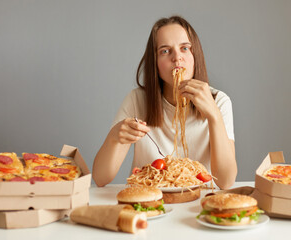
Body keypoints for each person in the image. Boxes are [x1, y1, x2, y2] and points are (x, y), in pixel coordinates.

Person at [92, 16, 237, 190]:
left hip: (198, 203)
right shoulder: (138, 100)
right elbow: (100, 178)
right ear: (155, 62)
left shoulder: (219, 101)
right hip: (148, 201)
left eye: (184, 48)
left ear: (195, 55)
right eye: (165, 51)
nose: (177, 58)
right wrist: (114, 137)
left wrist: (214, 115)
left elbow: (226, 182)